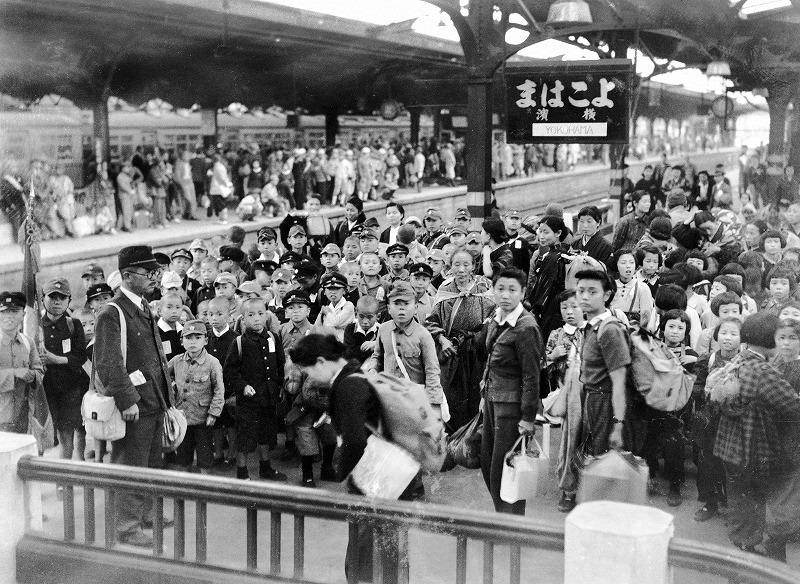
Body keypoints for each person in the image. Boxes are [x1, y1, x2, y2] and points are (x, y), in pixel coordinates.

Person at [94, 245, 172, 547]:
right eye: (148, 273)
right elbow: (108, 363)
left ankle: (146, 512)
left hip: (153, 400)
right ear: (127, 276)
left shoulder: (142, 306)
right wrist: (127, 401)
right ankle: (126, 526)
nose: (155, 278)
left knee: (151, 461)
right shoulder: (112, 313)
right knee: (131, 464)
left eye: (156, 272)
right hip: (135, 405)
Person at [714, 313, 800, 558]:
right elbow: (792, 405)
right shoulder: (763, 370)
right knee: (753, 498)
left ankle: (742, 544)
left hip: (730, 444)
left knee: (739, 497)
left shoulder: (739, 361)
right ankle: (748, 551)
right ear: (769, 339)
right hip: (752, 446)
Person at [477, 267, 542, 515]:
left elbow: (531, 375)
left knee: (506, 470)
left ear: (523, 292)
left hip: (512, 408)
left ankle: (511, 524)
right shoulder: (498, 319)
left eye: (512, 290)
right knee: (488, 465)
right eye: (500, 288)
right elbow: (490, 358)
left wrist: (527, 417)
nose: (505, 295)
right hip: (493, 401)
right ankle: (505, 519)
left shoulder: (526, 327)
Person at [425, 249, 495, 431]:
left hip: (477, 351)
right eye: (457, 264)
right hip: (452, 351)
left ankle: (472, 439)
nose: (461, 269)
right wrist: (442, 340)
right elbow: (431, 321)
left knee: (476, 396)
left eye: (466, 264)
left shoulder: (484, 289)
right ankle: (453, 439)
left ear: (473, 267)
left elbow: (493, 317)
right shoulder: (445, 290)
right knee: (452, 397)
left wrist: (481, 338)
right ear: (450, 266)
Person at [223, 297, 287, 481]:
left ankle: (265, 468)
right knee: (245, 436)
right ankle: (242, 472)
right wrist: (243, 387)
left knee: (265, 434)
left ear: (267, 315)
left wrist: (279, 384)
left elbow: (280, 364)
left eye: (260, 314)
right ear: (243, 319)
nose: (257, 319)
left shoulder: (273, 337)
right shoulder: (239, 343)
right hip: (248, 401)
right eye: (251, 315)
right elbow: (230, 370)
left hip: (268, 398)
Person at [575, 269, 632, 456]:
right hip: (592, 401)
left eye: (593, 292)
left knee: (600, 464)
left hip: (605, 406)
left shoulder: (609, 330)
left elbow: (619, 382)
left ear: (606, 295)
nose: (585, 297)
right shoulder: (591, 326)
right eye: (580, 290)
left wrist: (618, 425)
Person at [364, 282, 443, 411]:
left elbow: (432, 371)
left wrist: (433, 404)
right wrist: (372, 369)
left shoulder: (423, 335)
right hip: (389, 398)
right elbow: (377, 356)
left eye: (406, 304)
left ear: (416, 307)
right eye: (396, 304)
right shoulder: (384, 329)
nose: (401, 309)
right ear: (389, 309)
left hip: (415, 400)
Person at [692, 318, 740, 522]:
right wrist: (707, 388)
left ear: (742, 338)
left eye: (733, 334)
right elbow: (693, 390)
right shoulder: (707, 360)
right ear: (716, 336)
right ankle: (710, 502)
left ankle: (731, 505)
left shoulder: (745, 362)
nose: (728, 338)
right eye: (723, 333)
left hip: (735, 423)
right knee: (707, 463)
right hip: (710, 422)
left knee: (731, 465)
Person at [40, 277, 90, 461]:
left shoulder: (73, 324)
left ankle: (65, 483)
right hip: (44, 390)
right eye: (52, 297)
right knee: (42, 434)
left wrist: (57, 359)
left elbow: (80, 357)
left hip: (69, 389)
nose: (57, 302)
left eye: (62, 297)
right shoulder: (35, 326)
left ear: (69, 300)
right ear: (43, 298)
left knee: (66, 433)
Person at [544, 289, 584, 513]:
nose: (569, 312)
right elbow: (545, 366)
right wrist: (552, 356)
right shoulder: (556, 335)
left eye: (574, 306)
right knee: (569, 442)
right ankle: (568, 490)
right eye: (564, 307)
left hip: (589, 392)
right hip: (565, 394)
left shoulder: (591, 331)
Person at [169, 320, 224, 474]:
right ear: (181, 341)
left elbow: (219, 390)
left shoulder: (212, 363)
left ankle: (203, 495)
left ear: (206, 340)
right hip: (182, 418)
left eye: (197, 337)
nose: (193, 342)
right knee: (183, 458)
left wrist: (214, 413)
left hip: (203, 419)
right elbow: (164, 377)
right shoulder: (177, 361)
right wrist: (172, 387)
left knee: (204, 459)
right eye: (188, 337)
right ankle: (182, 494)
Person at [0, 292, 44, 435]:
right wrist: (15, 373)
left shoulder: (27, 342)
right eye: (4, 311)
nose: (9, 317)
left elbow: (39, 369)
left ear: (23, 314)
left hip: (22, 415)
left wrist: (33, 376)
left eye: (14, 311)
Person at [526, 216, 568, 342]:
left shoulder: (551, 257)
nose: (541, 236)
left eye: (546, 232)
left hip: (550, 310)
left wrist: (534, 308)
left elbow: (543, 288)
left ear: (558, 233)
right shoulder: (565, 250)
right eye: (540, 231)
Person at [343, 295, 379, 365]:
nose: (365, 321)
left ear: (378, 316)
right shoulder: (350, 329)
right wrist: (373, 348)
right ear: (356, 314)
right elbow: (349, 353)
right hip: (353, 368)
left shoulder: (381, 330)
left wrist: (375, 344)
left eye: (369, 317)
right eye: (361, 316)